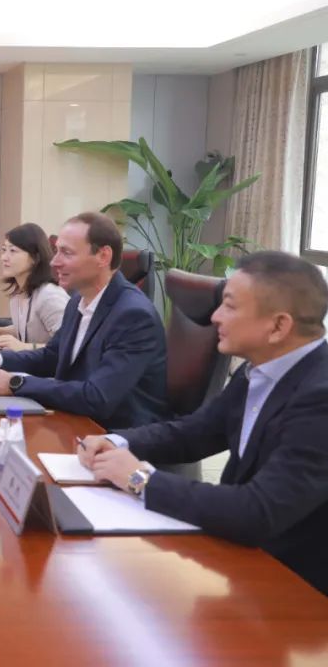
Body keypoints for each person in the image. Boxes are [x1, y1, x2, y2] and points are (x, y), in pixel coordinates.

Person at [78, 251, 328, 595]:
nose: (215, 317)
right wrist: (117, 442)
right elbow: (193, 433)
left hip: (295, 590)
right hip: (241, 561)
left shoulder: (320, 397)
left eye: (230, 306)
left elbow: (257, 511)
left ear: (278, 326)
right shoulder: (258, 368)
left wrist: (139, 479)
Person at [0, 212, 168, 432]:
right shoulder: (78, 301)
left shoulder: (133, 316)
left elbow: (97, 397)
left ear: (103, 256)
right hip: (74, 422)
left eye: (66, 253)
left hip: (115, 436)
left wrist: (15, 383)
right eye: (57, 251)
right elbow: (52, 356)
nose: (54, 262)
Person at [0, 223, 69, 351]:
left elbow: (68, 345)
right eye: (4, 250)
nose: (4, 258)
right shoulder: (18, 295)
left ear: (35, 257)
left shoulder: (49, 296)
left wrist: (24, 347)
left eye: (13, 251)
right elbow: (26, 330)